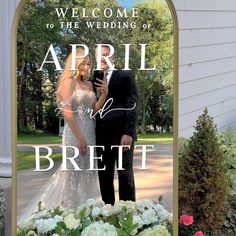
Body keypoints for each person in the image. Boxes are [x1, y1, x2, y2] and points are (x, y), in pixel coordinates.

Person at [18, 48, 108, 224]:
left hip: (90, 133)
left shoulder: (89, 85)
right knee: (72, 173)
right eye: (84, 63)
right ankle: (68, 218)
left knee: (87, 173)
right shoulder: (68, 82)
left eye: (89, 64)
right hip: (75, 135)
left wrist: (104, 94)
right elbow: (68, 114)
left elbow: (94, 110)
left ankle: (84, 217)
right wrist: (80, 138)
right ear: (76, 63)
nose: (87, 67)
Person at [94, 39, 138, 205]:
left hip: (122, 136)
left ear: (113, 57)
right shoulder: (94, 78)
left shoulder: (125, 75)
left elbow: (133, 105)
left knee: (125, 175)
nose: (102, 59)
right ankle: (108, 214)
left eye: (106, 55)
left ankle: (128, 213)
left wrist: (129, 132)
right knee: (104, 177)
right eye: (99, 56)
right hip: (101, 137)